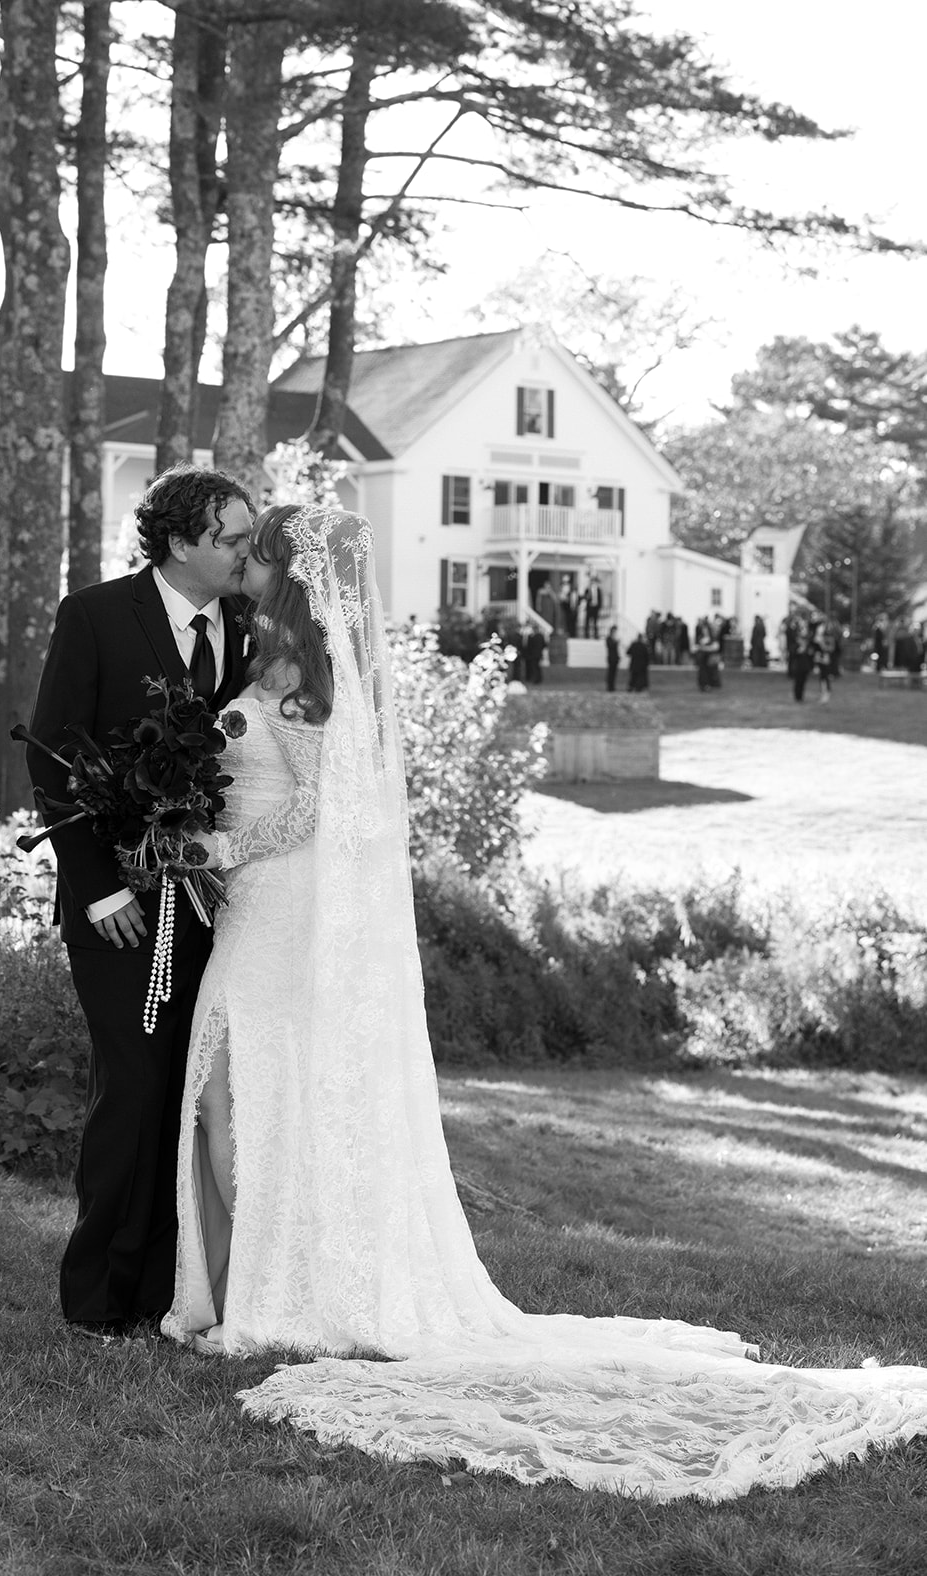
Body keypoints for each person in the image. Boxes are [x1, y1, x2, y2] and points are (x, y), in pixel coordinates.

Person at [158, 500, 927, 1500]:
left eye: (255, 553)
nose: (242, 563)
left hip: (281, 902)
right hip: (251, 906)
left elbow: (309, 805)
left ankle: (265, 1292)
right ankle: (240, 1286)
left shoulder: (306, 674)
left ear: (284, 572)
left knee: (238, 1092)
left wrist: (215, 846)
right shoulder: (252, 660)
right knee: (227, 1090)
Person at [26, 463, 255, 1336]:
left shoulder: (245, 625)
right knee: (131, 1089)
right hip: (118, 909)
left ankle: (167, 1289)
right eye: (232, 539)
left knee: (189, 1097)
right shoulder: (94, 614)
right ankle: (94, 1300)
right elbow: (50, 755)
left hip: (211, 908)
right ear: (179, 543)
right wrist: (97, 892)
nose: (244, 552)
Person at [583, 572, 603, 638]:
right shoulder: (588, 589)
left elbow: (600, 599)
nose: (593, 583)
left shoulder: (599, 590)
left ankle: (595, 635)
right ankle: (586, 635)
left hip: (595, 608)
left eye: (594, 581)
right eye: (592, 581)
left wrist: (599, 608)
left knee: (595, 623)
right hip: (589, 608)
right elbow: (585, 597)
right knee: (587, 622)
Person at [605, 624, 620, 692]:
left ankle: (612, 686)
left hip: (615, 658)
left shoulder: (614, 639)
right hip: (611, 658)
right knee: (610, 673)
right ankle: (609, 686)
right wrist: (615, 642)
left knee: (614, 673)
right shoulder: (609, 638)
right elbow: (610, 646)